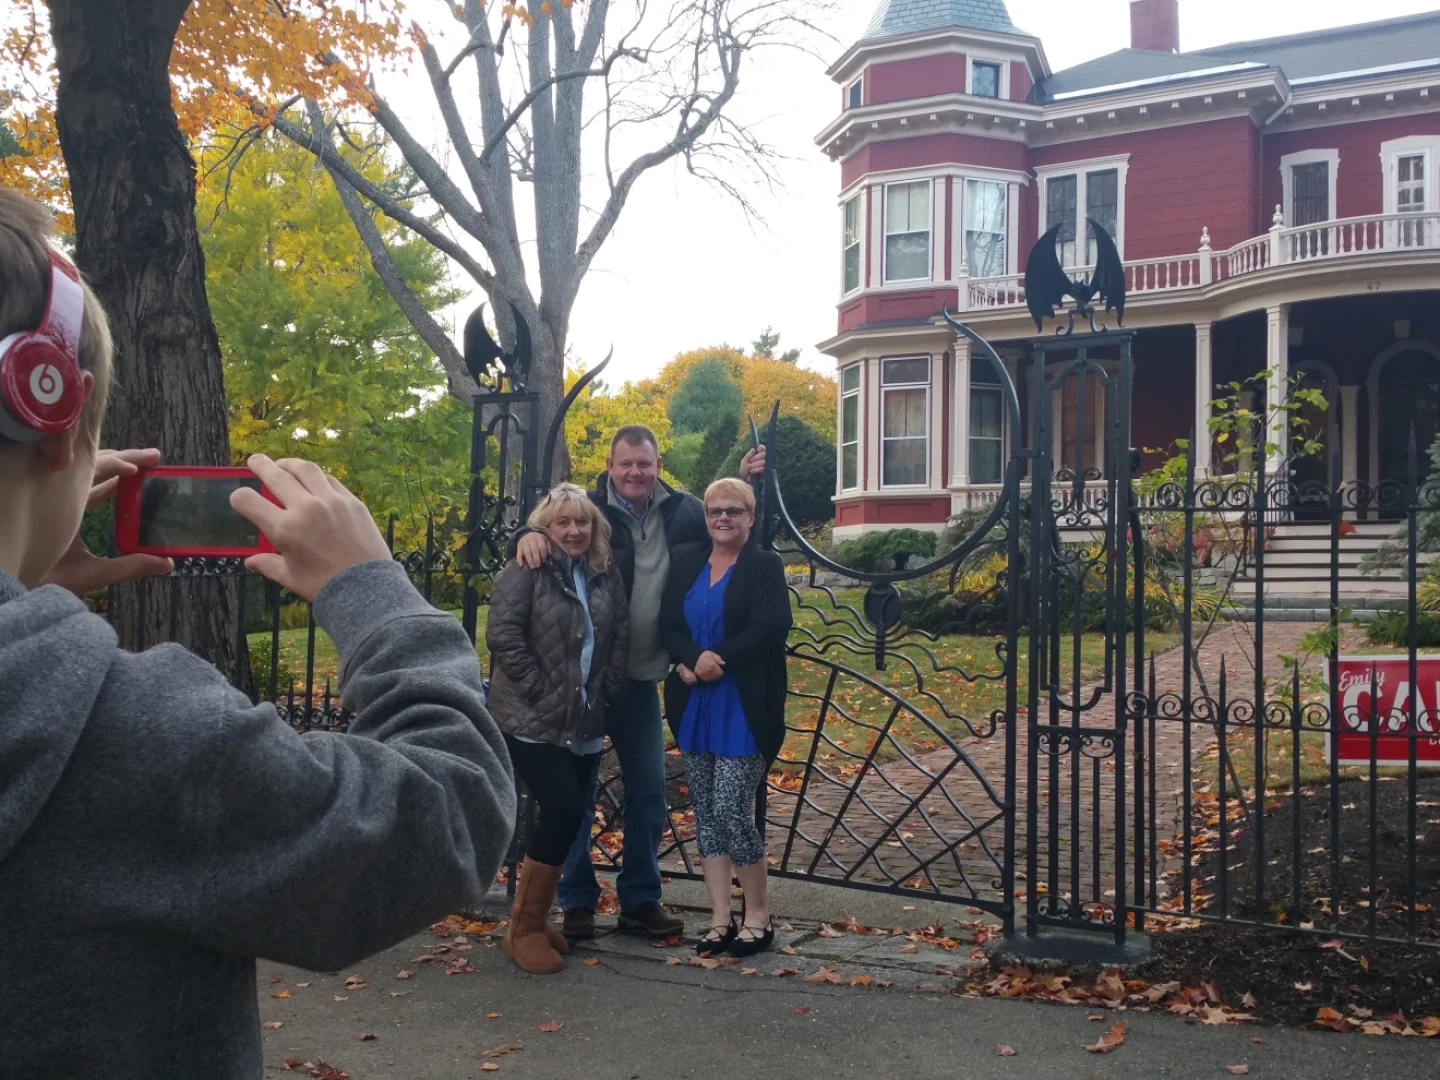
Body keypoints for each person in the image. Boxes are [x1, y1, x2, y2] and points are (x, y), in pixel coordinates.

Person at [0, 187, 516, 1077]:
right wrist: (374, 593)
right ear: (49, 404)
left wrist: (23, 581)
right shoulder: (128, 738)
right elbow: (452, 814)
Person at [512, 426, 764, 939]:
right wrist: (526, 535)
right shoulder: (587, 508)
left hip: (645, 676)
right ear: (609, 465)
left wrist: (742, 483)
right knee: (575, 801)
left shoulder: (685, 509)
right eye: (625, 464)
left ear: (657, 462)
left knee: (650, 793)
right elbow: (544, 526)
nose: (634, 473)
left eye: (643, 464)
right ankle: (577, 900)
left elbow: (730, 525)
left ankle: (640, 900)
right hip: (582, 684)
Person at [486, 483, 629, 974]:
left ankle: (531, 916)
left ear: (595, 528)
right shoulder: (526, 568)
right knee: (563, 808)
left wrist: (607, 685)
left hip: (583, 718)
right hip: (531, 718)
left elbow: (620, 634)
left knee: (569, 814)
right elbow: (502, 634)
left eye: (582, 522)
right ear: (545, 528)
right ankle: (522, 929)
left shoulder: (605, 573)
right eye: (563, 522)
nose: (574, 530)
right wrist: (538, 689)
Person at [659, 477, 790, 957]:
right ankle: (719, 919)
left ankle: (759, 914)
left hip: (745, 706)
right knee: (708, 815)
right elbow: (667, 624)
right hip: (695, 708)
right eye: (715, 510)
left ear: (750, 517)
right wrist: (691, 657)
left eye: (734, 511)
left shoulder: (763, 566)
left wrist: (718, 660)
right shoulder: (689, 563)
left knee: (733, 808)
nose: (722, 518)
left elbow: (772, 626)